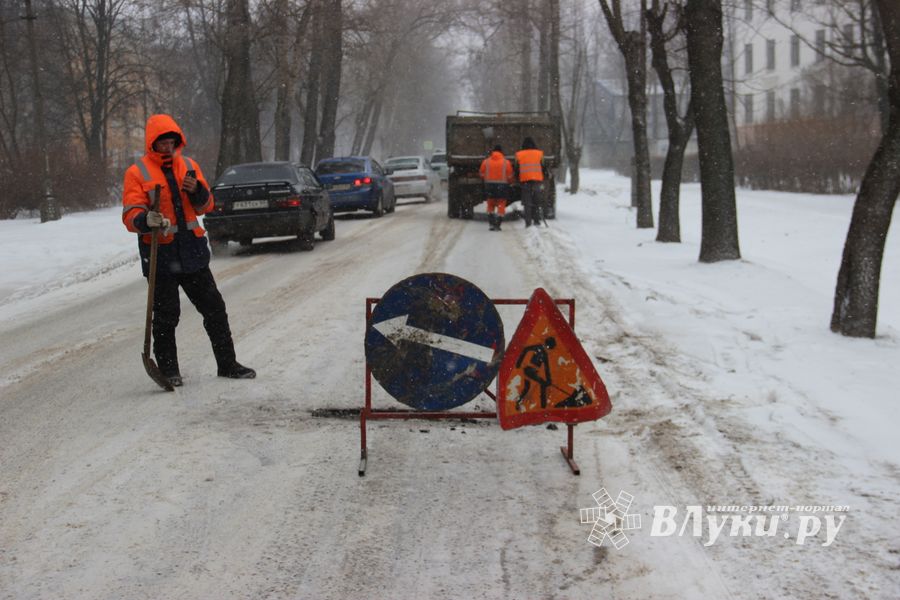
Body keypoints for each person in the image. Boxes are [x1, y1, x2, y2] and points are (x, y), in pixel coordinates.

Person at [122, 114, 255, 387]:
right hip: (160, 256)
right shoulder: (138, 173)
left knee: (215, 309)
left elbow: (206, 206)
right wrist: (144, 219)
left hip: (193, 253)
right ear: (152, 143)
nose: (168, 147)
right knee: (167, 317)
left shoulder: (189, 165)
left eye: (172, 142)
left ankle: (227, 364)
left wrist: (197, 192)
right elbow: (130, 212)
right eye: (162, 143)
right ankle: (170, 371)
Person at [514, 136, 548, 228]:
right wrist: (544, 176)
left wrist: (517, 179)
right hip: (537, 181)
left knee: (527, 203)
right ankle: (536, 221)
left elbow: (516, 169)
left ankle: (528, 223)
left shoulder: (519, 154)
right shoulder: (539, 154)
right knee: (537, 202)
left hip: (525, 182)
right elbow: (543, 167)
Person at [479, 145, 514, 231]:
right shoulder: (506, 162)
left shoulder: (486, 162)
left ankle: (491, 223)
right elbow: (510, 176)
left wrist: (487, 178)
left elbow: (481, 174)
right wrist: (510, 182)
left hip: (489, 186)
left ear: (492, 152)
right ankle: (498, 224)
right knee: (501, 204)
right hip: (502, 186)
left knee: (490, 204)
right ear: (501, 152)